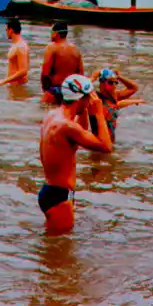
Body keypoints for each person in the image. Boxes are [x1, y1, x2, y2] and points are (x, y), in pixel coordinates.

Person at [38, 75, 112, 233]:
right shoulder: (67, 127)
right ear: (82, 98)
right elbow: (106, 146)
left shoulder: (53, 116)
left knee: (54, 246)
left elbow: (80, 132)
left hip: (51, 191)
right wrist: (98, 113)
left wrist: (84, 108)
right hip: (59, 196)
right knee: (59, 255)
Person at [90, 68, 143, 144]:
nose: (114, 85)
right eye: (110, 82)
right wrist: (93, 78)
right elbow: (79, 89)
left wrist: (119, 77)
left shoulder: (114, 97)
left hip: (111, 141)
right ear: (102, 82)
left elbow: (134, 88)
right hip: (98, 143)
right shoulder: (94, 98)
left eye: (116, 82)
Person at [40, 22, 84, 104]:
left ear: (56, 34)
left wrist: (46, 91)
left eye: (51, 32)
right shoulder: (76, 50)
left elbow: (45, 74)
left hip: (56, 89)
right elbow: (81, 74)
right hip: (71, 91)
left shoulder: (51, 47)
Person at [0, 18, 29, 87]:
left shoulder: (20, 46)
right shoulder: (16, 45)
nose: (6, 32)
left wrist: (3, 81)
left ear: (11, 30)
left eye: (6, 30)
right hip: (14, 86)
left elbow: (23, 71)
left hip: (18, 87)